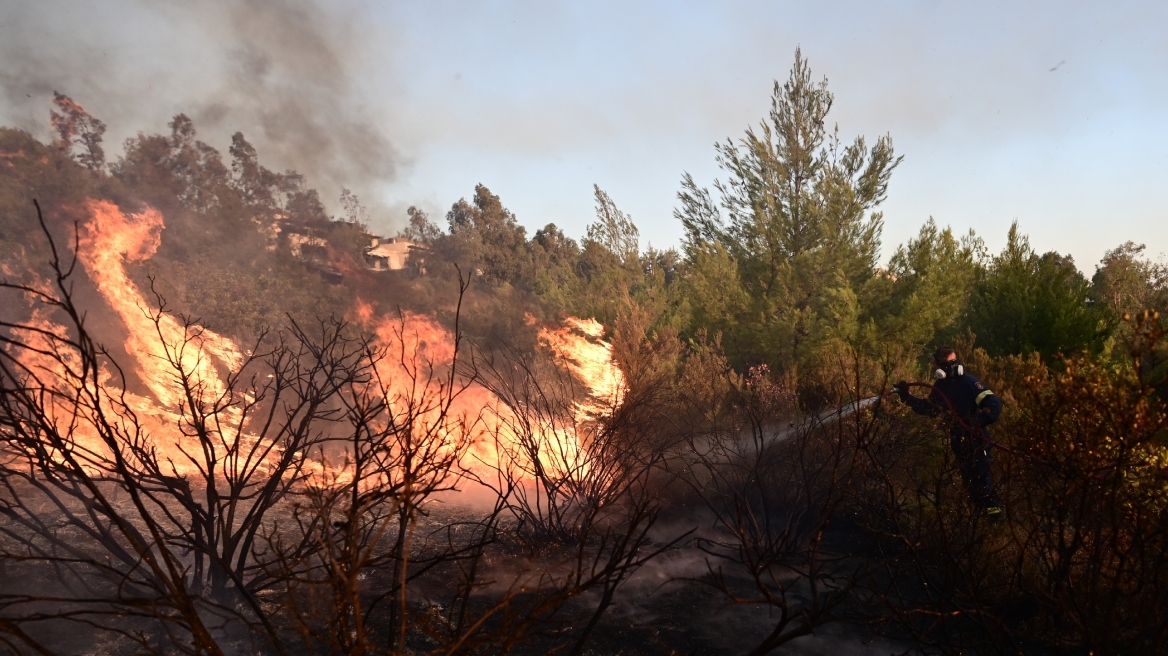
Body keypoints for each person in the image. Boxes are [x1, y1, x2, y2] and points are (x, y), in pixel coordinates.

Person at [896, 346, 1004, 520]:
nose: (952, 367)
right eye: (947, 364)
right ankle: (977, 522)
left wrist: (979, 423)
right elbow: (930, 409)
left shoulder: (969, 382)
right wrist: (907, 397)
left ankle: (995, 521)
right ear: (938, 366)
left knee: (983, 481)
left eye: (954, 362)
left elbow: (994, 405)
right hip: (958, 441)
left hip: (977, 439)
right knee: (969, 484)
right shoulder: (941, 386)